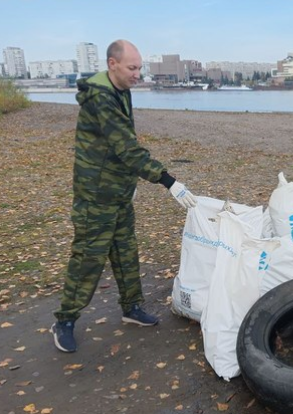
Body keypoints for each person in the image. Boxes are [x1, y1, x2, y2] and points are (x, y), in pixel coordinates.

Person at [51, 40, 197, 353]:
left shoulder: (121, 90)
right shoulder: (101, 98)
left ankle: (131, 308)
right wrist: (168, 180)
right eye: (132, 68)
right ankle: (64, 320)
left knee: (125, 252)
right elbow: (126, 148)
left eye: (140, 67)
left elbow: (124, 144)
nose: (138, 74)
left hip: (118, 192)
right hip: (96, 196)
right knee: (89, 259)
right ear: (112, 64)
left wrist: (130, 182)